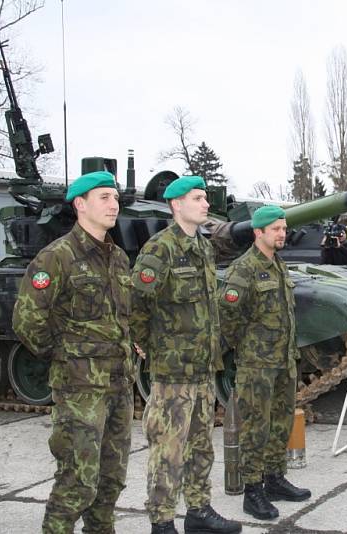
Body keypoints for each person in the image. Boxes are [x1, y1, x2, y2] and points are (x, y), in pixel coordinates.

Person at [12, 171, 134, 533]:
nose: (113, 205)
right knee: (78, 480)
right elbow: (27, 321)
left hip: (118, 386)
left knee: (112, 478)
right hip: (81, 390)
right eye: (104, 197)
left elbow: (120, 318)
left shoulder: (118, 259)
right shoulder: (58, 257)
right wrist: (66, 357)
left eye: (115, 198)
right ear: (80, 204)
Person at [130, 176, 241, 534]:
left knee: (200, 444)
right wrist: (148, 345)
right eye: (198, 198)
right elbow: (136, 303)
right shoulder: (159, 249)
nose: (206, 204)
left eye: (205, 198)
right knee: (168, 448)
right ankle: (162, 521)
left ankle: (198, 510)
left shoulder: (203, 248)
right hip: (173, 371)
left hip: (204, 367)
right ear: (177, 204)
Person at [219, 205, 312, 520]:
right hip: (257, 365)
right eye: (275, 229)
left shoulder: (279, 266)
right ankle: (252, 490)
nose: (282, 234)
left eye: (283, 228)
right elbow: (227, 319)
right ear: (258, 232)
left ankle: (274, 478)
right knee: (255, 428)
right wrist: (247, 351)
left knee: (280, 422)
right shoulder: (243, 269)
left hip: (283, 361)